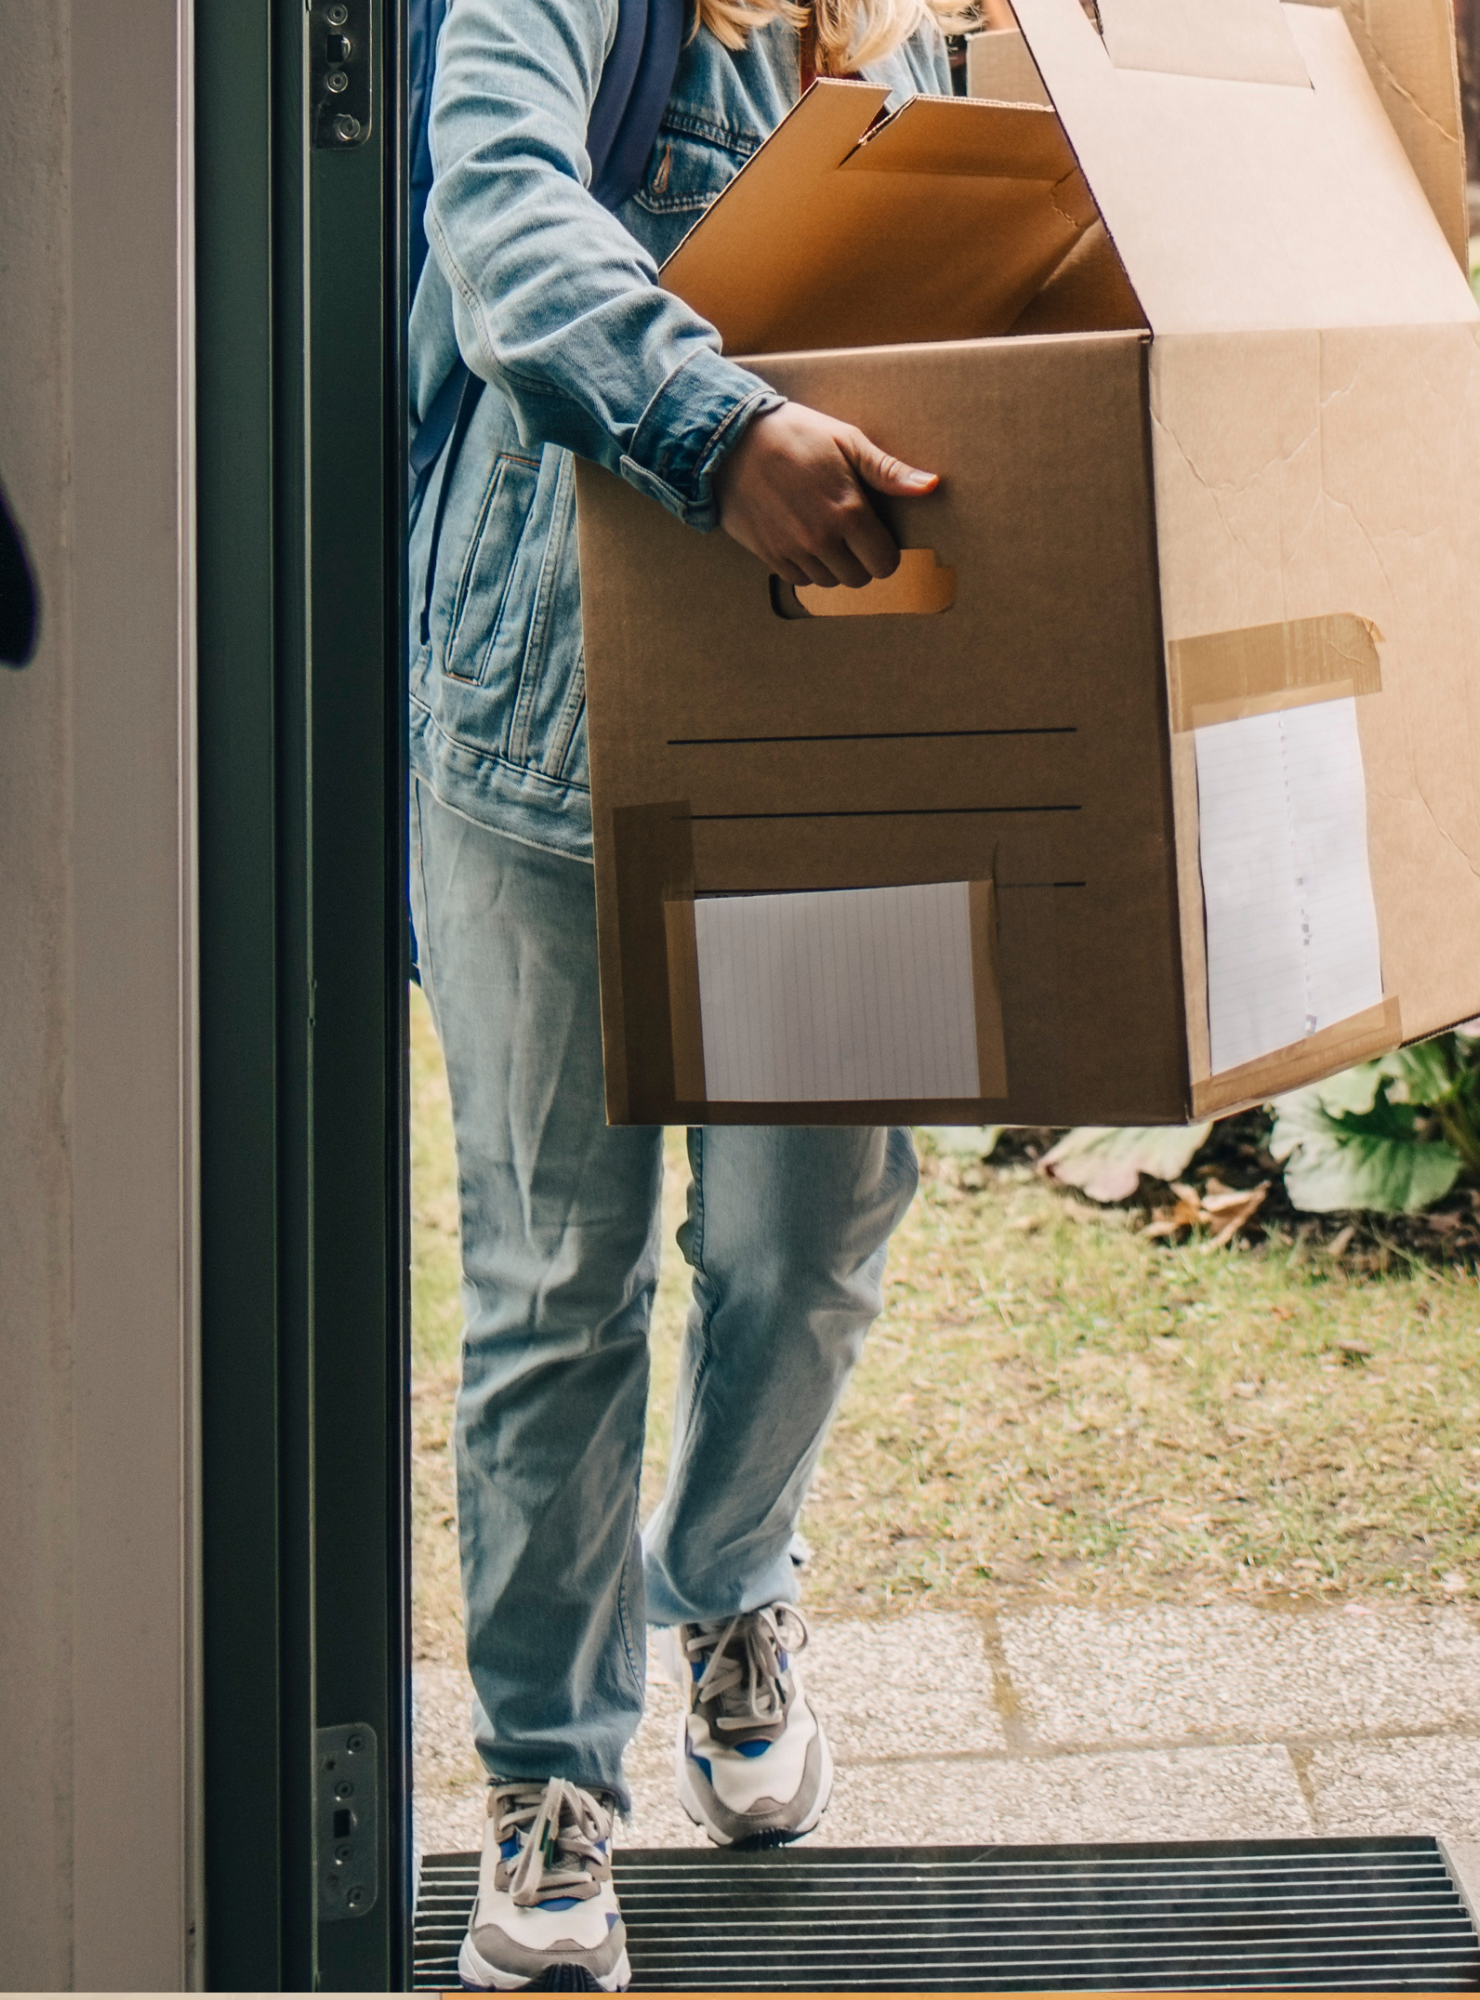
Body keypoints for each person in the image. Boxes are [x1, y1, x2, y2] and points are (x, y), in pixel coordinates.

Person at [410, 0, 968, 1986]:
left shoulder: (934, 35)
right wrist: (712, 426)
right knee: (560, 1284)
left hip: (838, 721)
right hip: (538, 720)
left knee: (813, 1231)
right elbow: (492, 206)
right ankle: (551, 1788)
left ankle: (729, 1581)